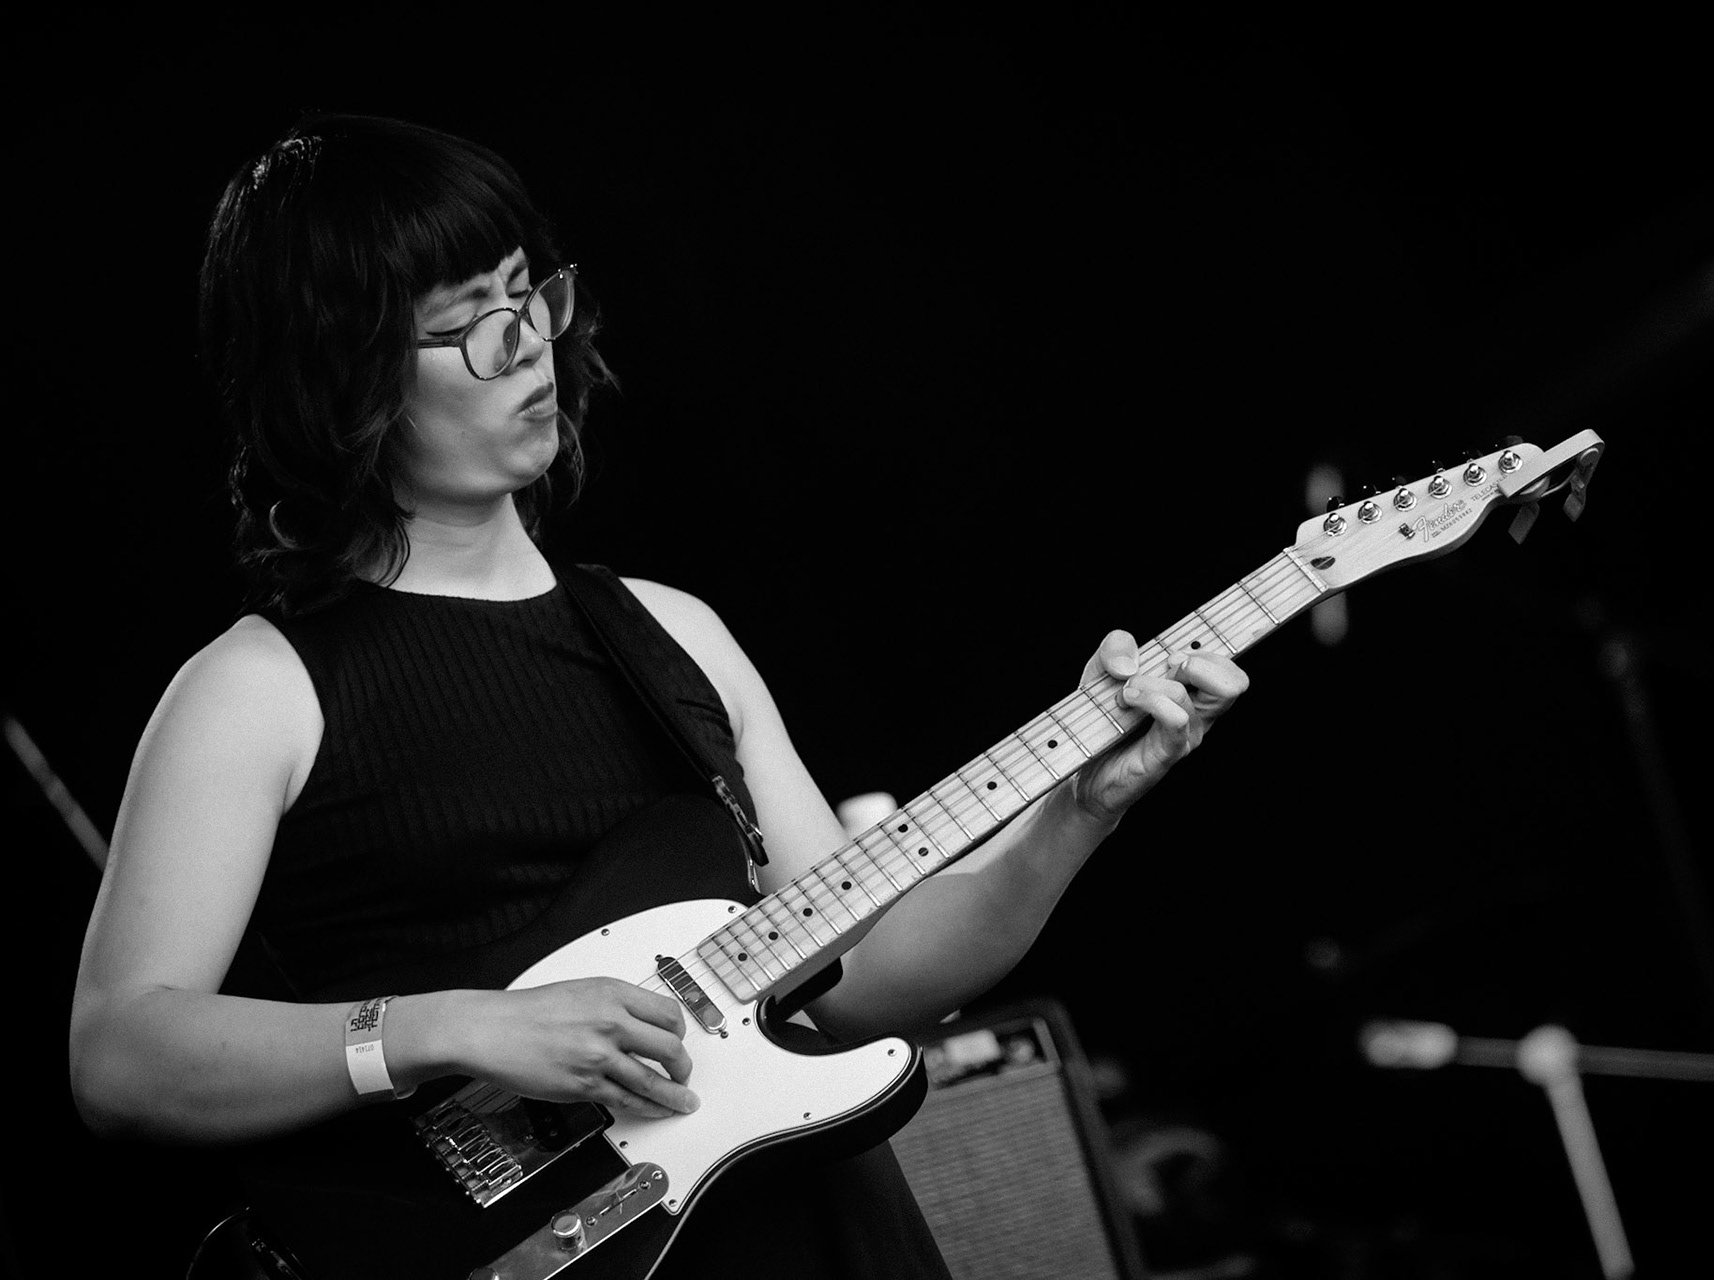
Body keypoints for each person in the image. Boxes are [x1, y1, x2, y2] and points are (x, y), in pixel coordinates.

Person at [67, 113, 1247, 1279]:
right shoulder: (253, 690)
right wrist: (443, 1024)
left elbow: (864, 980)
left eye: (527, 293)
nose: (526, 345)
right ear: (337, 378)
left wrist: (1074, 813)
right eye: (466, 325)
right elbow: (119, 1056)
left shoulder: (671, 632)